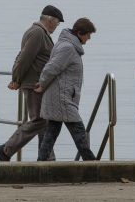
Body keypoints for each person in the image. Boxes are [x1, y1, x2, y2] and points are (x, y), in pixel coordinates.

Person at [0, 5, 64, 162]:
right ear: (50, 20)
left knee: (43, 120)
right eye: (57, 23)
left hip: (38, 83)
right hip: (34, 84)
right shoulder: (37, 33)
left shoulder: (38, 32)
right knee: (39, 120)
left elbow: (22, 55)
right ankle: (6, 149)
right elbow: (24, 57)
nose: (57, 27)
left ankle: (46, 157)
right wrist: (16, 79)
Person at [35, 17, 97, 161]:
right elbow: (51, 67)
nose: (89, 39)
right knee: (80, 134)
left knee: (51, 133)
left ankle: (40, 165)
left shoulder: (65, 44)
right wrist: (42, 83)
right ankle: (94, 166)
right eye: (88, 35)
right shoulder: (68, 48)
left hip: (61, 96)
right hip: (62, 98)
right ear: (80, 33)